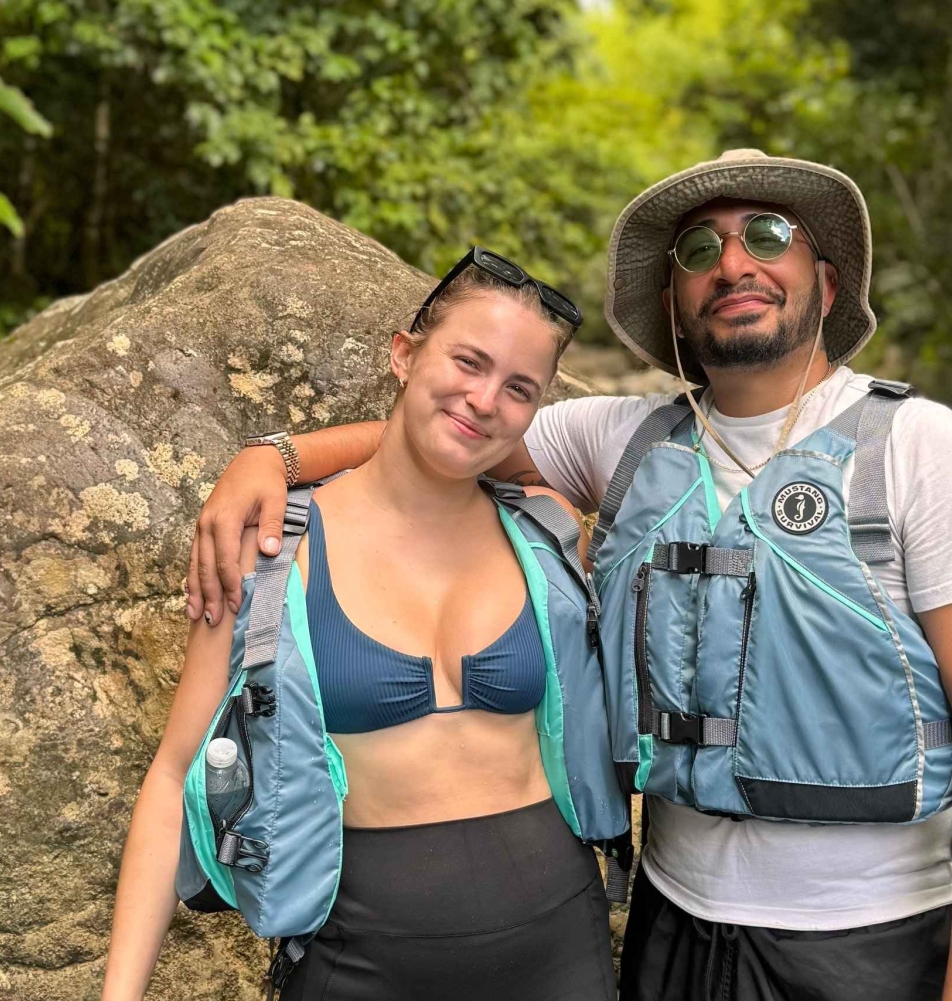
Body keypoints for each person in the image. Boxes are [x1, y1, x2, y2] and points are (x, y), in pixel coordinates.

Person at [186, 150, 952, 1001]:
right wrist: (273, 458)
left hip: (871, 941)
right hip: (670, 924)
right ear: (675, 303)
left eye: (766, 235)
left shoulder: (922, 450)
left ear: (826, 286)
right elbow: (447, 434)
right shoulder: (623, 439)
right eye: (700, 250)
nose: (734, 265)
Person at [102, 248, 622, 1001]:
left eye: (519, 388)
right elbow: (174, 770)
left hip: (561, 952)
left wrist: (275, 452)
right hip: (358, 961)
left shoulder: (548, 531)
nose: (484, 400)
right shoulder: (272, 549)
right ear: (403, 355)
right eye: (468, 362)